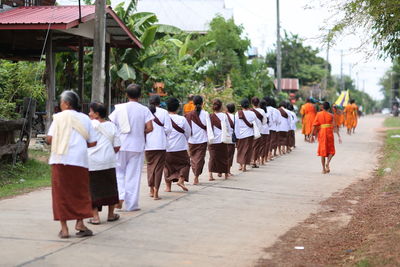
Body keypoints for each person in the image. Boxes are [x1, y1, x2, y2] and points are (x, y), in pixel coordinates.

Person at [46, 90, 97, 238]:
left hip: (60, 159)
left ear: (67, 104)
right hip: (79, 160)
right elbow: (93, 142)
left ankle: (64, 229)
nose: (60, 105)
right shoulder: (85, 119)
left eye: (61, 102)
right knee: (80, 192)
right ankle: (80, 223)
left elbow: (50, 139)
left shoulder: (59, 118)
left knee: (60, 194)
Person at [109, 84, 153, 211]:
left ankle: (120, 196)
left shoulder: (119, 109)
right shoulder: (144, 110)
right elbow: (150, 128)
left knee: (119, 172)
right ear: (140, 96)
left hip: (120, 145)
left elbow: (111, 125)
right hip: (137, 146)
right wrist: (139, 131)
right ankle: (132, 205)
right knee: (133, 175)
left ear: (126, 95)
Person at [87, 102, 121, 225]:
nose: (89, 113)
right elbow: (117, 146)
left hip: (92, 161)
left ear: (96, 114)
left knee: (93, 189)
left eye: (91, 111)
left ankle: (95, 217)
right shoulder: (112, 126)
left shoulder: (89, 125)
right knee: (110, 188)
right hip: (109, 161)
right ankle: (111, 214)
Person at [145, 95, 172, 200]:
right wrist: (162, 134)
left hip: (148, 144)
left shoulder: (145, 112)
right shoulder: (164, 112)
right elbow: (168, 129)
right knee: (159, 168)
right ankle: (156, 192)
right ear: (159, 103)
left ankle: (151, 189)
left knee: (150, 167)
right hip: (160, 144)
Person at [164, 97, 191, 192]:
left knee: (167, 166)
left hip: (167, 148)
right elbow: (188, 132)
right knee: (186, 164)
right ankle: (181, 180)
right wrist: (185, 140)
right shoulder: (182, 119)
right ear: (178, 108)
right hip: (180, 147)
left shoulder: (164, 118)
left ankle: (168, 187)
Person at [185, 95, 213, 185]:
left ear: (193, 103)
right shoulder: (205, 114)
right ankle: (196, 176)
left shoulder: (189, 115)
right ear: (202, 103)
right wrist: (210, 138)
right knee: (200, 159)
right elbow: (208, 127)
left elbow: (187, 129)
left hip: (191, 140)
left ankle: (195, 174)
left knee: (193, 159)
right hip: (202, 140)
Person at [311, 101, 342, 174]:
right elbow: (335, 126)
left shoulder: (318, 114)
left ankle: (323, 169)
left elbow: (314, 125)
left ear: (322, 107)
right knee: (331, 150)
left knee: (322, 151)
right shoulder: (331, 115)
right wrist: (339, 136)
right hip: (329, 133)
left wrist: (311, 135)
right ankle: (327, 163)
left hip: (322, 133)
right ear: (329, 108)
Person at [235, 98, 260, 172]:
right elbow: (256, 123)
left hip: (240, 134)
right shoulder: (252, 113)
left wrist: (236, 134)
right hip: (249, 134)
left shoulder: (237, 113)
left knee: (240, 149)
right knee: (247, 150)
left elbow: (235, 125)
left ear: (241, 105)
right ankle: (244, 166)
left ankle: (240, 165)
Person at [208, 99, 231, 180]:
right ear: (221, 106)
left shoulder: (210, 116)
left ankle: (210, 175)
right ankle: (225, 174)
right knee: (224, 157)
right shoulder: (224, 115)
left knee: (212, 158)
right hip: (222, 140)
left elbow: (208, 128)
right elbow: (228, 127)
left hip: (212, 140)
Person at [250, 97, 267, 167]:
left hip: (250, 131)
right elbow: (264, 122)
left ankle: (250, 160)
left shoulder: (250, 111)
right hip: (259, 131)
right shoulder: (262, 111)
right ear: (258, 103)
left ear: (251, 103)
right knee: (257, 147)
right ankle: (254, 161)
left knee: (251, 146)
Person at [226, 103, 236, 176]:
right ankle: (228, 171)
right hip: (231, 138)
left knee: (223, 155)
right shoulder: (235, 117)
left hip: (224, 137)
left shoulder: (224, 116)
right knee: (230, 155)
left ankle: (221, 171)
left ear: (227, 109)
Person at [260, 99, 271, 164]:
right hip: (266, 130)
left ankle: (258, 159)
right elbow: (270, 122)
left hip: (259, 130)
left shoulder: (259, 111)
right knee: (265, 145)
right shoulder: (267, 113)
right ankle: (264, 159)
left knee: (259, 145)